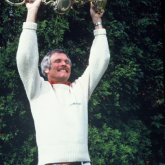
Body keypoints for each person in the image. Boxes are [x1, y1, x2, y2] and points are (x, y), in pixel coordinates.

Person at [16, 0, 110, 164]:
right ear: (46, 69)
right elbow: (25, 59)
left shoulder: (80, 89)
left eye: (67, 62)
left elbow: (101, 60)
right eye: (58, 61)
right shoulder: (37, 89)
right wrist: (32, 12)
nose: (64, 64)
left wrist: (97, 22)